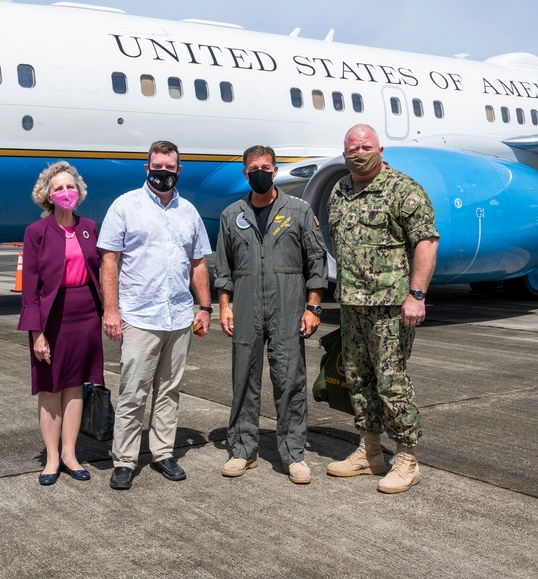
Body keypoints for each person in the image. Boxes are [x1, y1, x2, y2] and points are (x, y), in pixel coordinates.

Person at [326, 124, 439, 494]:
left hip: (390, 306)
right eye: (352, 148)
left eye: (365, 146)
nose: (359, 152)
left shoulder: (403, 189)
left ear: (380, 148)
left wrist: (416, 295)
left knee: (392, 381)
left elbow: (425, 243)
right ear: (344, 154)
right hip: (352, 302)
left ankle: (407, 459)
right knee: (358, 379)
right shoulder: (340, 190)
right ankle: (370, 451)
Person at [98, 140, 213, 490]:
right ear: (146, 169)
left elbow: (198, 263)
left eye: (169, 169)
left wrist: (205, 307)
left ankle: (163, 453)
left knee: (169, 391)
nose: (163, 174)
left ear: (179, 170)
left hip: (178, 316)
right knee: (133, 391)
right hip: (139, 315)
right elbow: (109, 261)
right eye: (157, 168)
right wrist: (111, 310)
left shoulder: (189, 211)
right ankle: (124, 460)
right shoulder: (125, 206)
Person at [214, 145, 328, 484]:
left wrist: (313, 306)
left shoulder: (298, 211)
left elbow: (316, 262)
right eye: (253, 168)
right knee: (243, 379)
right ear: (245, 173)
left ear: (275, 171)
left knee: (290, 379)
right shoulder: (231, 214)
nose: (259, 172)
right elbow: (224, 266)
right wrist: (224, 305)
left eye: (265, 167)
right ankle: (242, 451)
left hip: (289, 304)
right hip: (247, 305)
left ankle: (294, 454)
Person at [19, 161, 104, 486]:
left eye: (70, 186)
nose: (66, 192)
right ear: (48, 196)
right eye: (59, 188)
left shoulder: (89, 227)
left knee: (75, 387)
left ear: (78, 191)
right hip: (51, 317)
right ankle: (52, 458)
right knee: (50, 388)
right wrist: (37, 333)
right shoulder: (36, 233)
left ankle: (70, 454)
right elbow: (30, 287)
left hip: (85, 316)